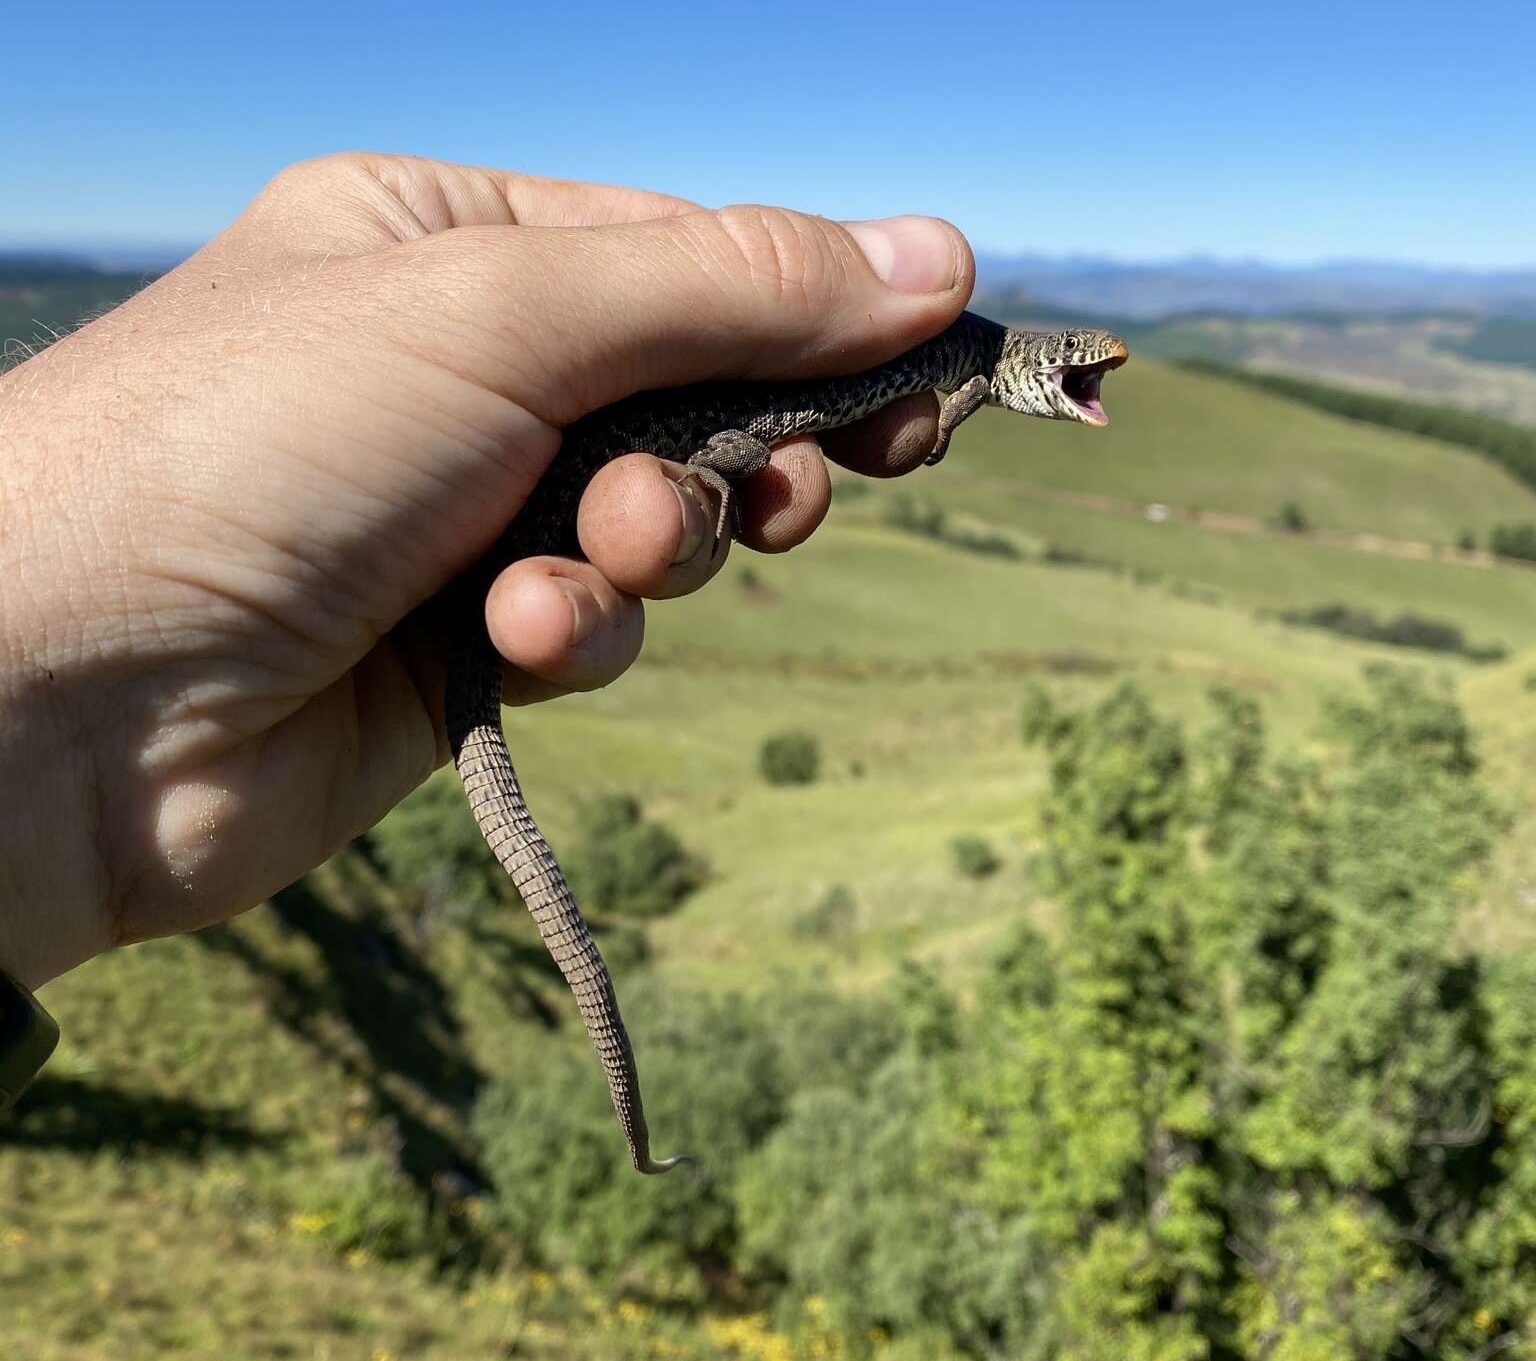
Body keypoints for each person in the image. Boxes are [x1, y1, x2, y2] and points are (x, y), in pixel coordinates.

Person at [0, 151, 972, 1003]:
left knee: (657, 521)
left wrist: (72, 742)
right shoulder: (936, 340)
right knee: (685, 502)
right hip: (558, 522)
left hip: (450, 603)